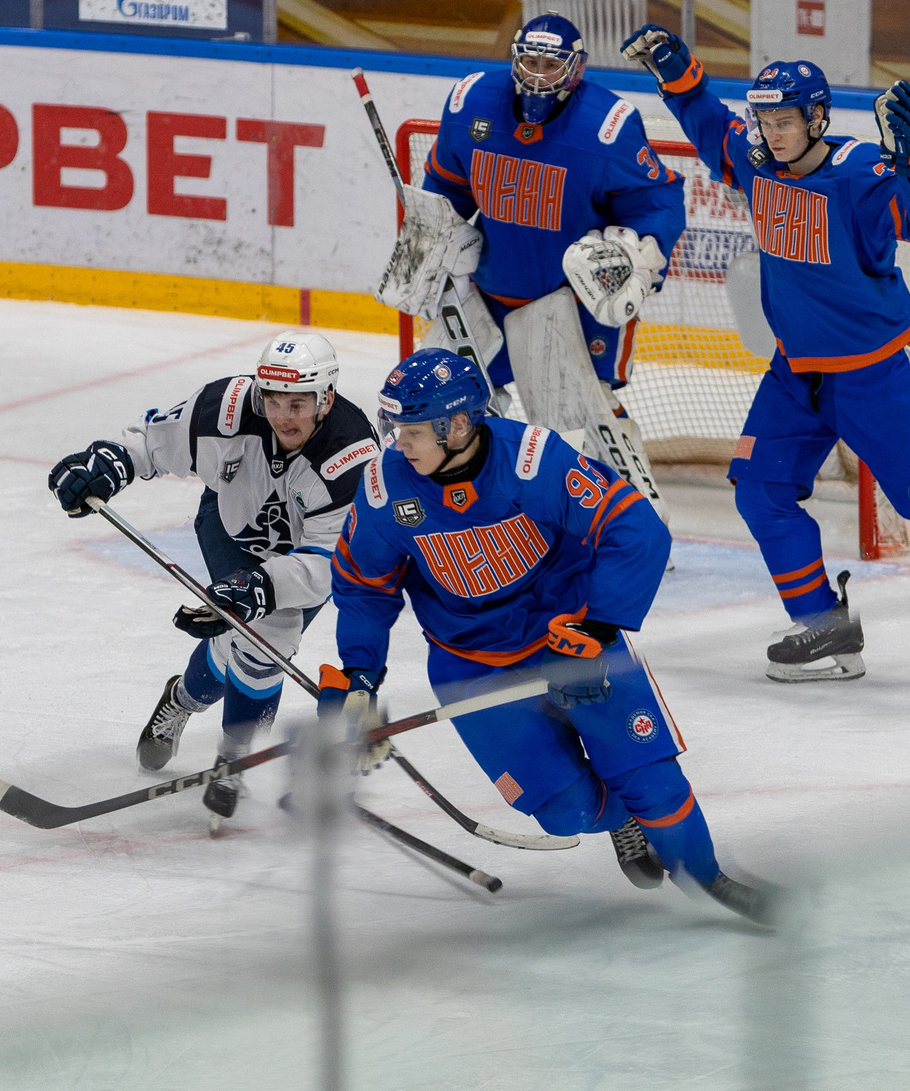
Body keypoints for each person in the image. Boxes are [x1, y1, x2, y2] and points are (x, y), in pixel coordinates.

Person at [620, 30, 910, 681]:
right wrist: (679, 77)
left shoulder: (860, 173)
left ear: (816, 118)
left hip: (883, 372)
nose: (772, 133)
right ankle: (824, 624)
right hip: (797, 375)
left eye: (785, 120)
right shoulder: (757, 164)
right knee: (762, 492)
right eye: (764, 120)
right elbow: (711, 127)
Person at [322, 348, 769, 922]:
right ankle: (624, 819)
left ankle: (707, 877)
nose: (398, 443)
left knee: (649, 776)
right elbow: (363, 586)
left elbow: (635, 527)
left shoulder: (534, 462)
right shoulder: (385, 489)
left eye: (411, 430)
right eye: (395, 428)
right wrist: (360, 678)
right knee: (566, 812)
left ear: (456, 425)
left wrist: (597, 627)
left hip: (569, 642)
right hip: (471, 664)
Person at [47, 331, 378, 827]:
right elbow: (152, 441)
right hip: (231, 530)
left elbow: (331, 561)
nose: (283, 416)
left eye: (298, 404)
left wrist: (260, 589)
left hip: (304, 558)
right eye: (273, 401)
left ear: (325, 397)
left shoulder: (351, 457)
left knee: (246, 641)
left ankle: (186, 703)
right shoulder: (225, 408)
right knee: (268, 635)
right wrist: (109, 464)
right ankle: (233, 757)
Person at [375, 13, 687, 498]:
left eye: (550, 64)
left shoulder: (607, 126)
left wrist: (641, 252)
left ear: (575, 68)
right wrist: (435, 237)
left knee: (583, 423)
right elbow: (448, 185)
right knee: (442, 407)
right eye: (530, 61)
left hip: (572, 304)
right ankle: (458, 509)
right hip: (487, 294)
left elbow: (656, 202)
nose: (538, 74)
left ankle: (632, 518)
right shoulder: (471, 101)